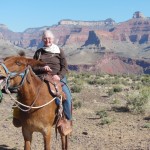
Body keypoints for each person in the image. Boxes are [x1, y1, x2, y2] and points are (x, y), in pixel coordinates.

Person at [33, 30, 72, 122]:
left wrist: (59, 76)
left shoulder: (59, 51)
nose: (47, 40)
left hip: (57, 78)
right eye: (45, 38)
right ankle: (21, 117)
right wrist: (42, 67)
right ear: (42, 39)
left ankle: (67, 120)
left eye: (49, 38)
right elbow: (33, 66)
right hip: (42, 78)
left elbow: (65, 67)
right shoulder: (38, 52)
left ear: (53, 39)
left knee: (66, 97)